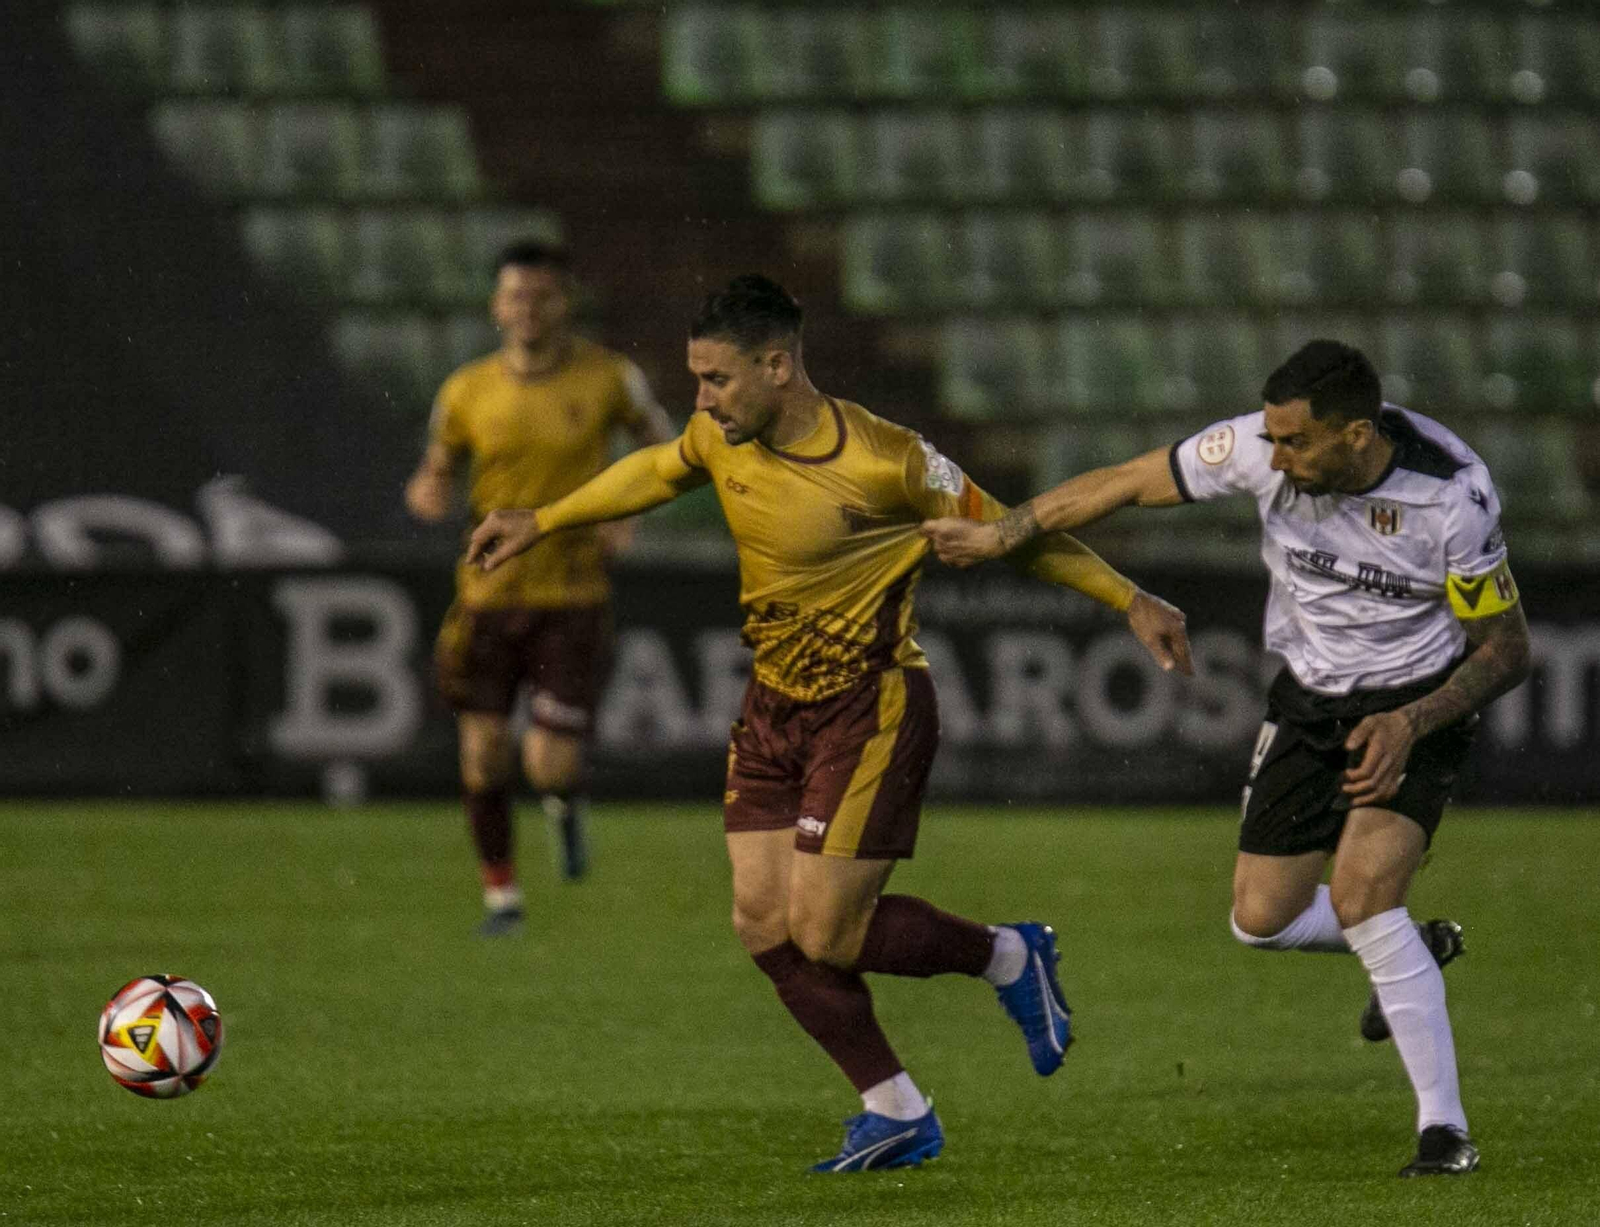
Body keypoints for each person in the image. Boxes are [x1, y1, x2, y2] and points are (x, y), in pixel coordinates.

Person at [468, 275, 1194, 1171]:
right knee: (761, 921)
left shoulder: (889, 460)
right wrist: (540, 519)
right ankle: (895, 1107)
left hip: (872, 706)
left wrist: (1129, 597)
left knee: (826, 933)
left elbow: (1017, 532)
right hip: (774, 704)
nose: (702, 400)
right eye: (697, 379)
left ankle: (1009, 956)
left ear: (778, 365)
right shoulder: (717, 434)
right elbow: (654, 471)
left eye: (718, 379)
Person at [922, 339, 1531, 1178]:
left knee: (1362, 896)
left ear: (1357, 434)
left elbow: (1504, 650)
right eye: (1271, 438)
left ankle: (1444, 1131)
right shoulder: (1259, 447)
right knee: (1260, 919)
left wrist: (1413, 721)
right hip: (1310, 700)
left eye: (1295, 442)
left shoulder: (1451, 498)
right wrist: (1002, 536)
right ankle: (1418, 948)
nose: (1273, 457)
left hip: (1412, 705)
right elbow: (1129, 480)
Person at [405, 242, 675, 935]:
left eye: (542, 296)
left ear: (566, 304)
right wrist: (430, 488)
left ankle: (564, 805)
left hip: (572, 594)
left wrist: (632, 510)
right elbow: (436, 468)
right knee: (484, 750)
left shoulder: (609, 377)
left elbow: (668, 449)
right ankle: (503, 897)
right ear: (497, 307)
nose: (528, 308)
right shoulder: (467, 390)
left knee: (548, 760)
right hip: (488, 596)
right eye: (516, 296)